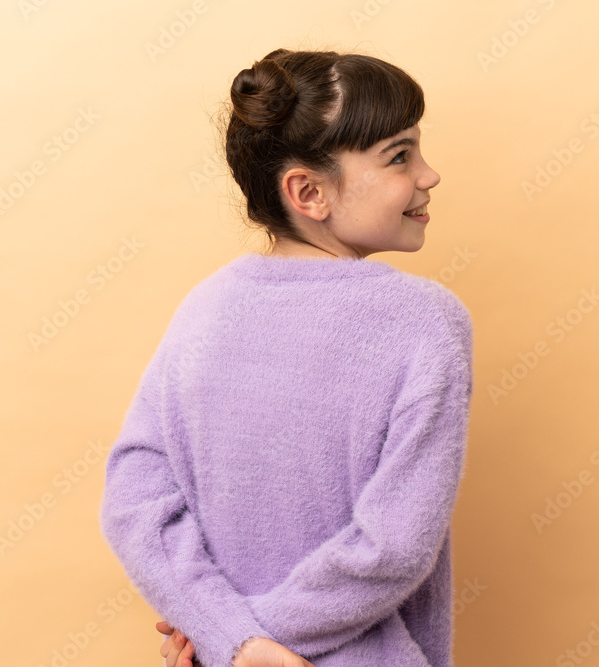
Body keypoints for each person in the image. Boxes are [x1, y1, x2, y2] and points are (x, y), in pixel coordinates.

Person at [99, 47, 473, 667]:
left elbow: (134, 503)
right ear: (308, 191)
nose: (429, 175)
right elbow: (394, 547)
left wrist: (232, 637)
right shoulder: (425, 321)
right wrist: (250, 644)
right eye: (400, 157)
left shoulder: (204, 308)